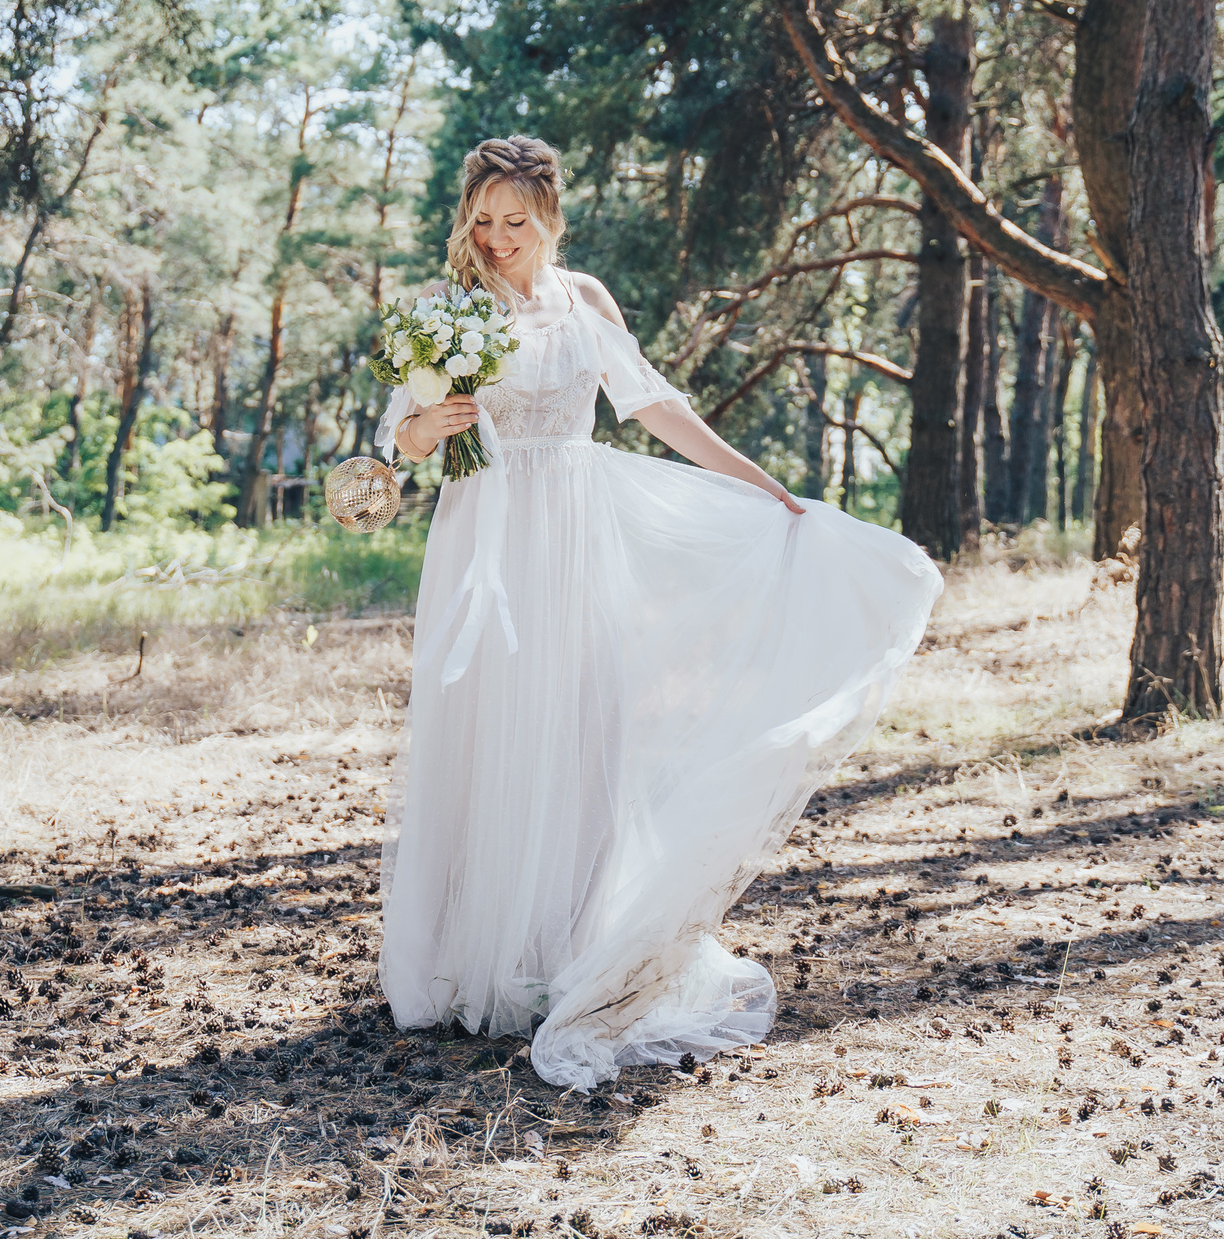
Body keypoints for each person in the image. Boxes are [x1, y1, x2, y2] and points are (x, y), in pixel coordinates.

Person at [376, 135, 942, 1090]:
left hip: (576, 531)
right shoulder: (447, 309)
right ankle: (468, 955)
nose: (499, 238)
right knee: (485, 732)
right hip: (486, 539)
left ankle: (569, 947)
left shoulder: (585, 300)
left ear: (550, 217)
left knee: (587, 726)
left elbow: (654, 406)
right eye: (483, 220)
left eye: (517, 221)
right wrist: (422, 426)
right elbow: (398, 435)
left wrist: (765, 487)